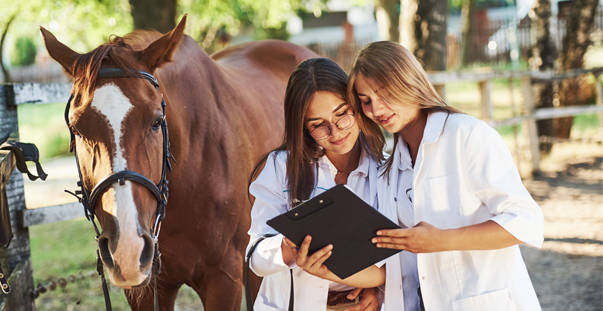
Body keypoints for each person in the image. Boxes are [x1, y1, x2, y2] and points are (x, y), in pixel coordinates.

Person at [345, 41, 544, 311]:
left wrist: (442, 240)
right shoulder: (390, 169)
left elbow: (526, 221)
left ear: (409, 81)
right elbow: (403, 252)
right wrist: (378, 289)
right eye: (366, 101)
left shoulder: (467, 135)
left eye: (384, 93)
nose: (377, 110)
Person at [246, 57, 387, 311]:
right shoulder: (280, 167)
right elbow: (256, 258)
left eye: (342, 114)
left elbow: (398, 263)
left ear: (357, 106)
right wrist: (287, 250)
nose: (336, 132)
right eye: (318, 125)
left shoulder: (386, 169)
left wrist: (377, 291)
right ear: (303, 128)